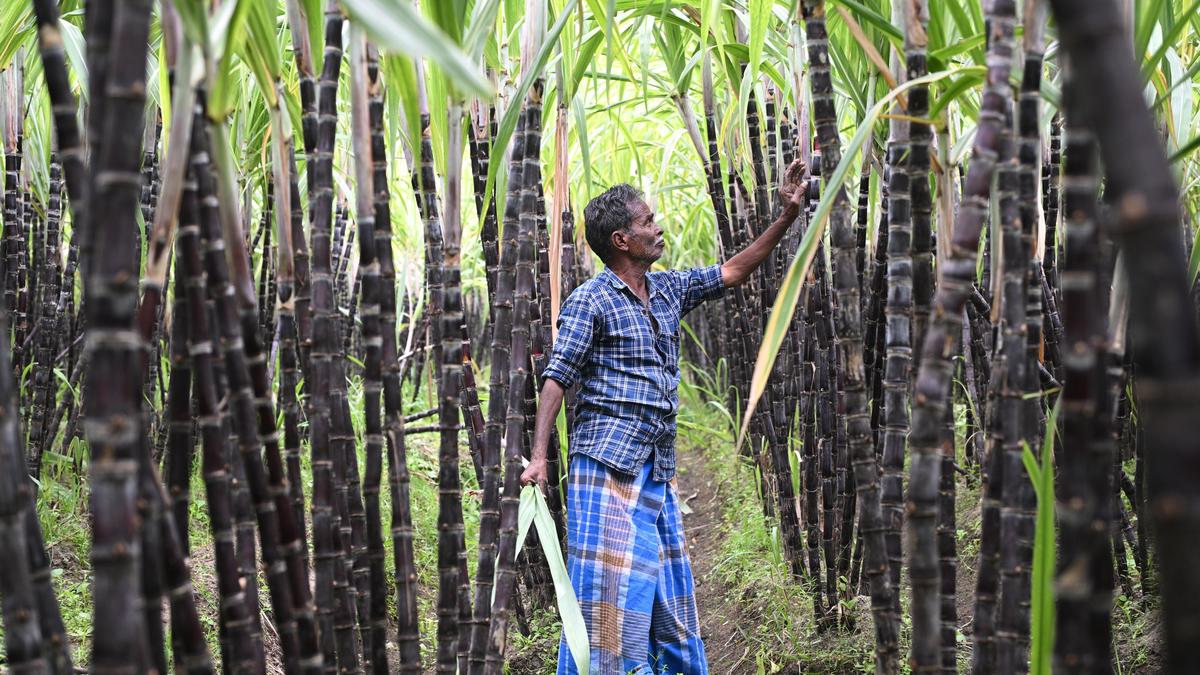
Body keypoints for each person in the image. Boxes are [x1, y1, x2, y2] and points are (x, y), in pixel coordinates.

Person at [522, 158, 810, 674]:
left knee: (666, 594)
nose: (658, 228)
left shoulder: (670, 289)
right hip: (605, 465)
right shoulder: (591, 302)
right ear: (621, 240)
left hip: (656, 465)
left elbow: (734, 270)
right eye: (647, 221)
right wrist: (539, 457)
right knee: (607, 600)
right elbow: (557, 377)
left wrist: (787, 216)